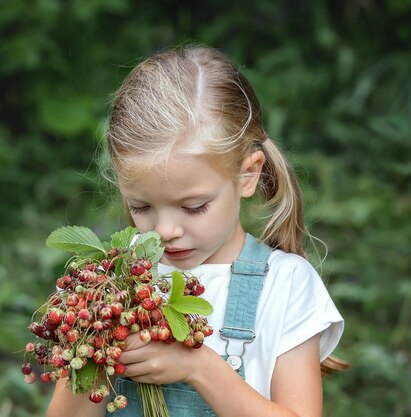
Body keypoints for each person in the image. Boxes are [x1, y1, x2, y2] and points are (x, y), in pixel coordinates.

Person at [47, 45, 347, 417]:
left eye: (193, 207)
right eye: (140, 207)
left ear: (248, 174)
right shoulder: (114, 282)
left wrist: (199, 367)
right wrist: (95, 343)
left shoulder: (285, 285)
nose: (166, 230)